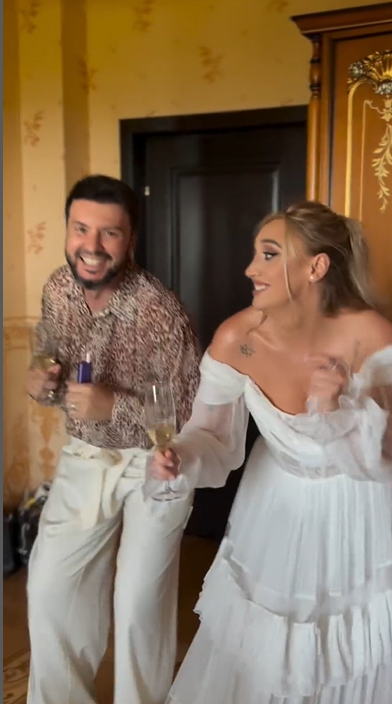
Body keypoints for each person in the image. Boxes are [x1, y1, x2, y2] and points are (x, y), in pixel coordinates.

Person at [149, 201, 392, 704]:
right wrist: (179, 458)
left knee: (353, 653)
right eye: (255, 254)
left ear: (316, 266)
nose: (250, 269)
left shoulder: (369, 333)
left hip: (361, 510)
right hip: (276, 509)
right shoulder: (237, 339)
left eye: (269, 254)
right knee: (268, 650)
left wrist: (343, 411)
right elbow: (212, 437)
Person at [25, 174, 200, 704]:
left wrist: (113, 406)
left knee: (138, 605)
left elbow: (190, 413)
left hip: (156, 464)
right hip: (86, 456)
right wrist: (42, 380)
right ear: (67, 229)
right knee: (50, 589)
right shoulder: (58, 289)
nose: (92, 246)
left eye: (110, 233)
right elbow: (54, 362)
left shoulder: (160, 310)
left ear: (131, 240)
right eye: (81, 228)